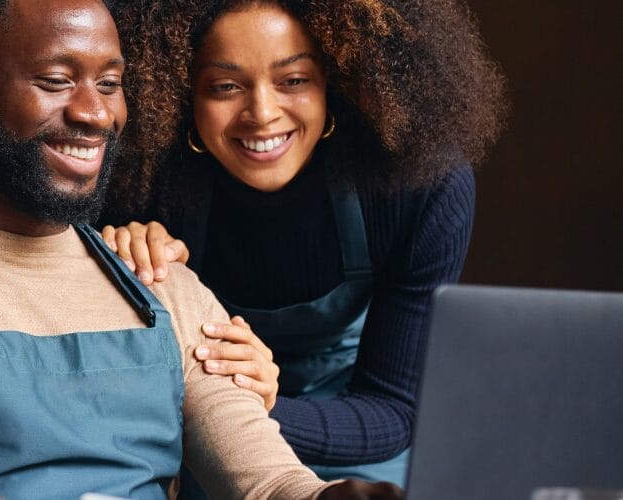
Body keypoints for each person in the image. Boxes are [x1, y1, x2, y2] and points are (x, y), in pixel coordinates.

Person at [0, 0, 401, 498]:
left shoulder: (161, 283)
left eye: (109, 83)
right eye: (56, 80)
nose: (95, 113)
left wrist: (331, 497)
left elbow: (269, 482)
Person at [98, 0, 508, 489]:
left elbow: (394, 410)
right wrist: (127, 261)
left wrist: (257, 404)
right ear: (182, 92)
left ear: (333, 81)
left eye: (293, 80)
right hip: (208, 444)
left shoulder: (416, 186)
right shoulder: (138, 185)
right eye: (225, 86)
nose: (263, 114)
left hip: (356, 440)